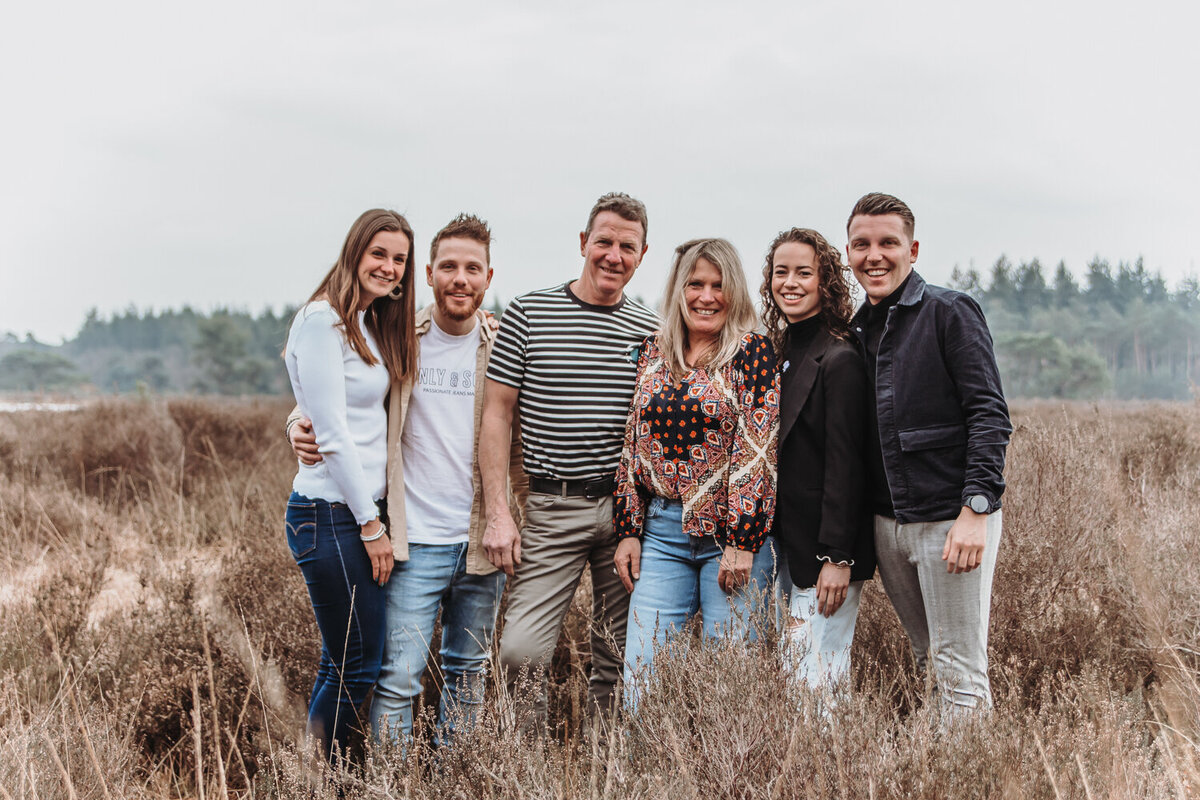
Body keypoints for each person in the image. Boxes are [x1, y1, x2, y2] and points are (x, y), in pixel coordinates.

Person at [288, 214, 525, 746]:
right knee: (396, 680)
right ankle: (392, 784)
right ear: (430, 273)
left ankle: (454, 782)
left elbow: (525, 435)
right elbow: (337, 398)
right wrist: (294, 424)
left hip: (480, 543)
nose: (460, 278)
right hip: (411, 541)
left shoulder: (503, 344)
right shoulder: (399, 336)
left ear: (490, 277)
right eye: (448, 267)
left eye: (472, 268)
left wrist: (512, 519)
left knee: (468, 676)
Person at [479, 192, 659, 732]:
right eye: (603, 241)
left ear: (642, 255)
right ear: (584, 243)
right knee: (519, 652)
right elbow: (496, 416)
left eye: (627, 247)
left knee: (619, 656)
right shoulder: (528, 313)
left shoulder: (651, 330)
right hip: (552, 507)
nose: (613, 255)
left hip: (629, 517)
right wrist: (499, 512)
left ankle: (604, 771)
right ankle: (530, 772)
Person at [845, 192, 1011, 715]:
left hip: (948, 521)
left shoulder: (948, 311)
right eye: (861, 244)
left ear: (912, 249)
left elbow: (989, 414)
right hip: (887, 527)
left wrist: (975, 511)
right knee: (928, 662)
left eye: (887, 243)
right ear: (849, 253)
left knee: (959, 669)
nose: (874, 255)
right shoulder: (854, 331)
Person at [613, 238, 779, 708]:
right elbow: (631, 445)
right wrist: (628, 529)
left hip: (730, 538)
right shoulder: (651, 352)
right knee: (641, 681)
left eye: (717, 285)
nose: (706, 296)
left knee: (731, 688)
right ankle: (647, 779)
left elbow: (757, 450)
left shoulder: (753, 354)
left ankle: (723, 782)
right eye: (695, 284)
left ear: (735, 292)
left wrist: (742, 542)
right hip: (662, 535)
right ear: (678, 289)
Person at [282, 208, 417, 760]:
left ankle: (313, 778)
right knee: (357, 668)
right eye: (379, 253)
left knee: (341, 661)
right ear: (355, 252)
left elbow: (321, 408)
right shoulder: (323, 320)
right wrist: (370, 523)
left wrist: (294, 418)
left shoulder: (366, 322)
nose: (388, 267)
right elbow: (332, 430)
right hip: (334, 514)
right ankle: (316, 781)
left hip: (355, 512)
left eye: (399, 259)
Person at [760, 227, 874, 693]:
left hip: (827, 554)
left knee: (815, 679)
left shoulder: (840, 356)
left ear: (825, 280)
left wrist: (837, 558)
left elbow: (847, 468)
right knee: (796, 672)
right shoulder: (784, 348)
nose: (790, 282)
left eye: (803, 273)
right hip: (790, 546)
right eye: (780, 272)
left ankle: (828, 768)